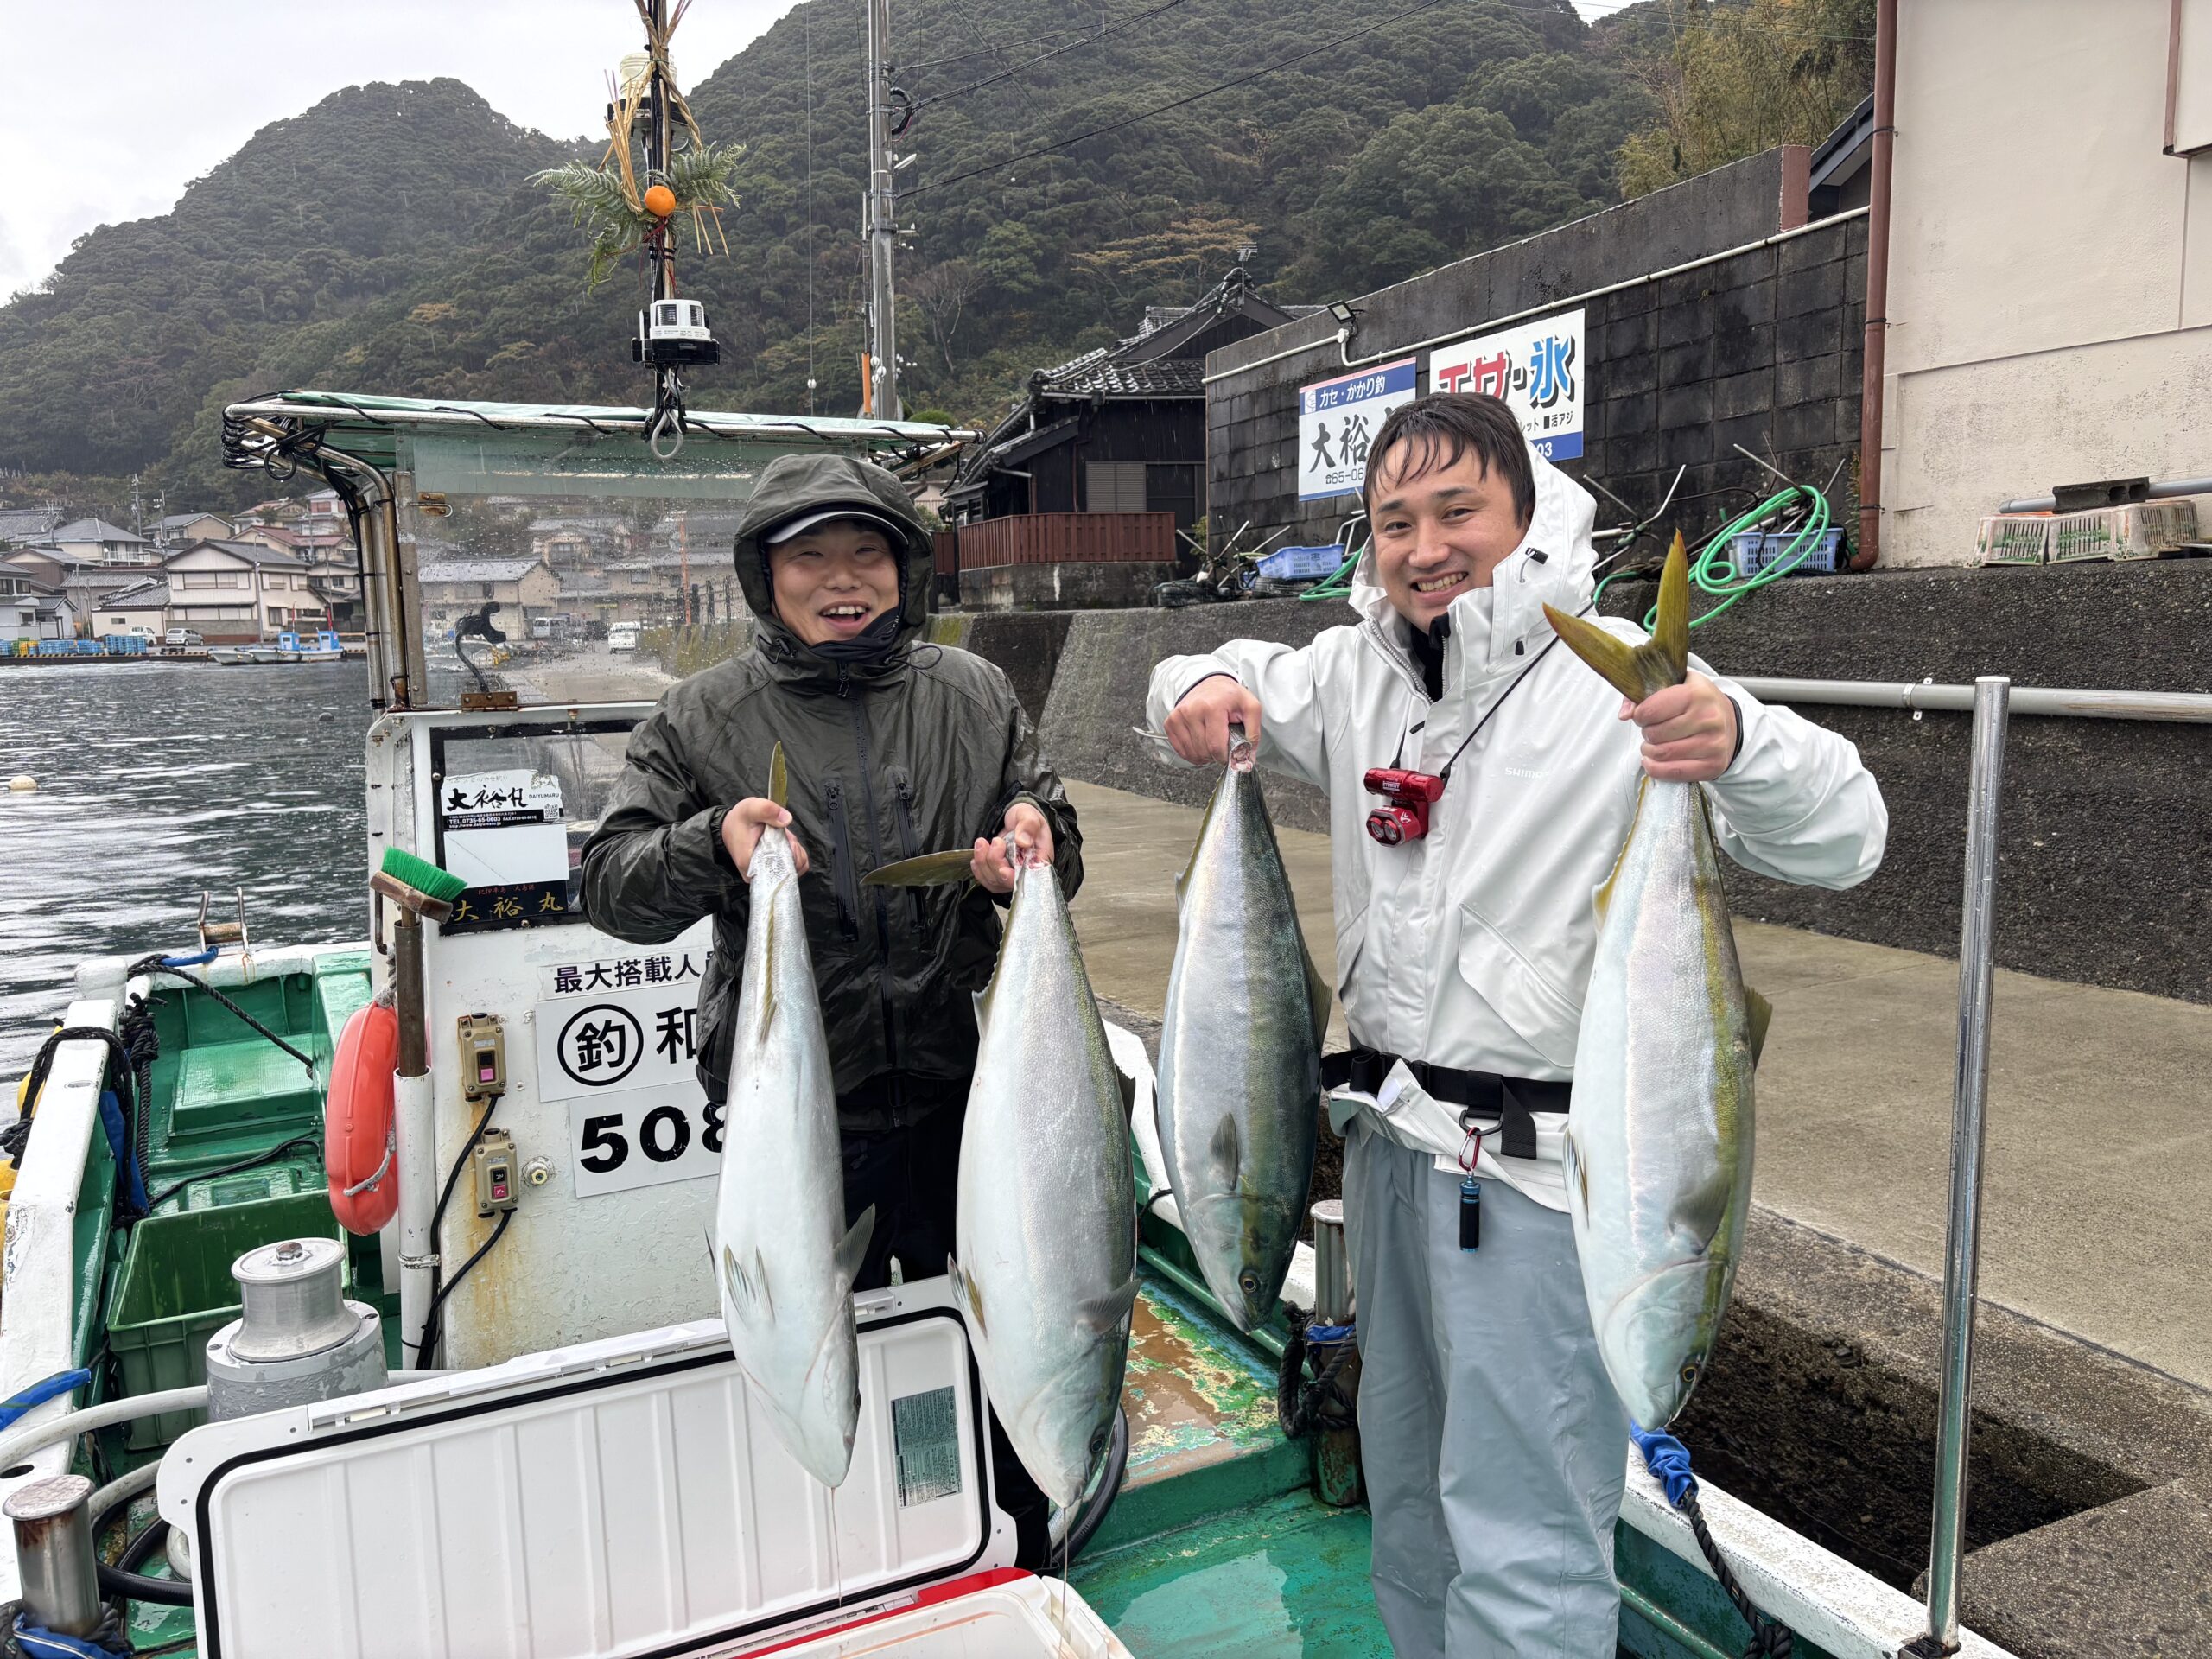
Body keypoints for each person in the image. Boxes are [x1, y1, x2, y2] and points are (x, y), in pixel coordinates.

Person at [1147, 393, 1886, 1656]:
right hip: (1386, 1154)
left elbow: (1848, 834)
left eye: (1456, 513)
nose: (1424, 546)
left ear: (1527, 517)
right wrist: (1203, 681)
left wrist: (1740, 739)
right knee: (1414, 1506)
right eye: (1393, 521)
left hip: (1539, 1186)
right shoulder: (1352, 670)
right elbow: (1199, 679)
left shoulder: (1620, 680)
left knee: (1527, 1534)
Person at [581, 452, 1081, 1566]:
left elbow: (1049, 820)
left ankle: (1020, 1540)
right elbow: (609, 885)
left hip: (966, 1096)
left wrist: (1033, 843)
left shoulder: (973, 692)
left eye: (867, 551)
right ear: (768, 574)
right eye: (811, 556)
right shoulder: (704, 714)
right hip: (804, 1116)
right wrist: (713, 843)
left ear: (905, 569)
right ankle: (854, 1562)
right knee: (813, 1340)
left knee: (1001, 1324)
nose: (841, 578)